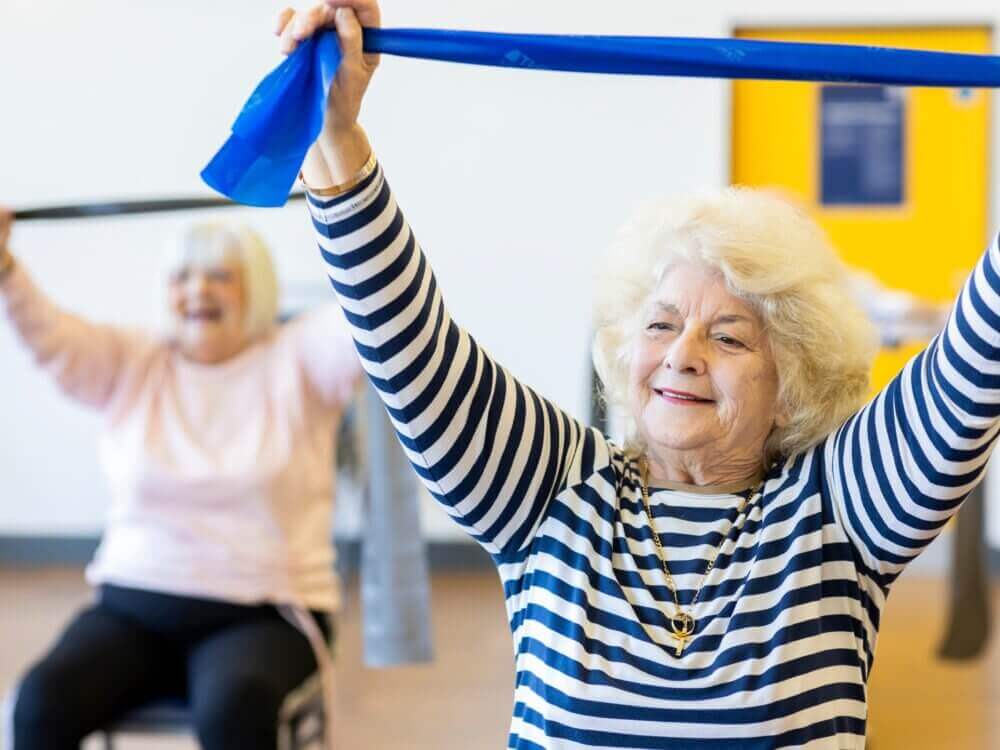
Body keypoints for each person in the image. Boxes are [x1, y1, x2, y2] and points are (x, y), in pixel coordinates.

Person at [280, 2, 1000, 748]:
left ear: (793, 384)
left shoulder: (838, 511)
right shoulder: (550, 491)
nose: (682, 354)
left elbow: (976, 356)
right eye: (660, 325)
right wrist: (334, 135)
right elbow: (410, 342)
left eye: (728, 337)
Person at [0, 215, 362, 749]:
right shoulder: (133, 362)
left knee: (236, 709)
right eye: (182, 276)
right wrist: (5, 265)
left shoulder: (301, 358)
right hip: (133, 611)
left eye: (220, 275)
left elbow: (373, 312)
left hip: (264, 615)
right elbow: (49, 334)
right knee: (38, 703)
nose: (198, 290)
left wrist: (348, 201)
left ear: (255, 287)